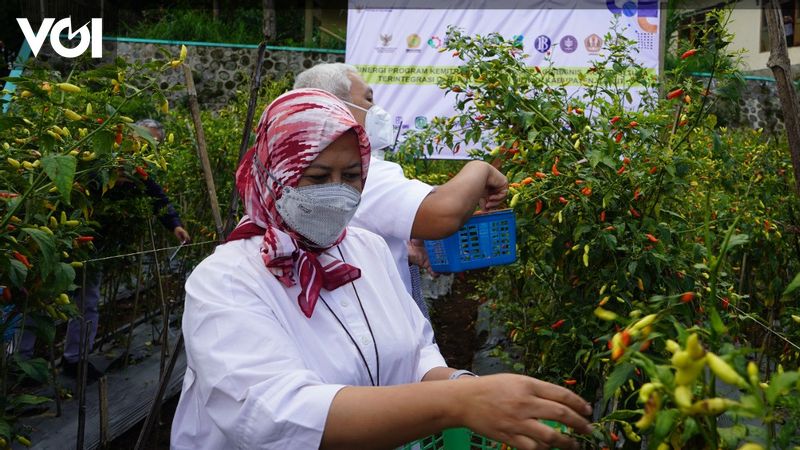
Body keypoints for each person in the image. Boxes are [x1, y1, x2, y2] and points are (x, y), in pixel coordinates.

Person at [170, 89, 592, 450]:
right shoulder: (227, 280)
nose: (337, 192)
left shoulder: (365, 249)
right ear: (274, 175)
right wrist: (459, 403)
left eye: (351, 175)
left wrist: (465, 387)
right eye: (318, 177)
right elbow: (273, 415)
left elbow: (415, 356)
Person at [293, 63, 508, 318]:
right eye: (368, 99)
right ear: (335, 107)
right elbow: (445, 213)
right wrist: (480, 168)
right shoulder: (358, 174)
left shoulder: (301, 169)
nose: (376, 110)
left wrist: (403, 251)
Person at [19, 119, 190, 380]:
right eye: (144, 141)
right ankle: (20, 361)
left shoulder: (138, 171)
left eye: (153, 146)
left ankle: (75, 359)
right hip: (58, 237)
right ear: (131, 136)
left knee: (86, 301)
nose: (145, 148)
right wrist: (104, 178)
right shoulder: (99, 156)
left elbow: (158, 198)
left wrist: (174, 225)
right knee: (37, 296)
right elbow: (71, 184)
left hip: (93, 243)